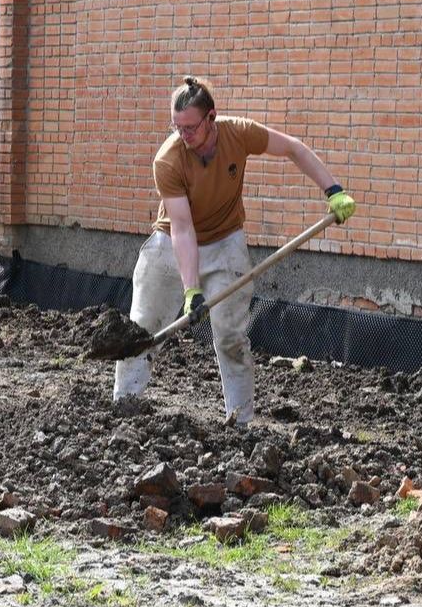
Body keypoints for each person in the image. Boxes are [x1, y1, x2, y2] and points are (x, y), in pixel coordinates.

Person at [112, 76, 356, 422]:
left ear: (211, 117)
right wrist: (191, 288)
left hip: (225, 244)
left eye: (190, 127)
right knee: (143, 327)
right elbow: (182, 228)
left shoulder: (238, 133)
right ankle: (124, 407)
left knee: (231, 337)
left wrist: (333, 189)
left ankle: (240, 423)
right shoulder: (168, 160)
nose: (183, 135)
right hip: (170, 249)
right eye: (176, 127)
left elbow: (293, 148)